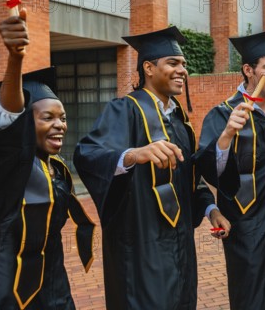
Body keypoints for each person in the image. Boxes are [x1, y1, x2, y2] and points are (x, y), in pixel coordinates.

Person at [73, 26, 229, 309]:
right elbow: (86, 155)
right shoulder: (125, 110)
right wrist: (133, 154)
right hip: (140, 248)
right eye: (173, 63)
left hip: (180, 248)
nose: (183, 70)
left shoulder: (182, 123)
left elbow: (191, 177)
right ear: (148, 67)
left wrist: (210, 209)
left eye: (184, 64)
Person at [194, 28, 265, 309]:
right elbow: (209, 172)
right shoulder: (223, 113)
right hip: (245, 226)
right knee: (249, 298)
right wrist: (227, 135)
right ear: (248, 70)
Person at [0, 12, 95, 310]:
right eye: (48, 117)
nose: (60, 125)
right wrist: (15, 59)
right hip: (8, 290)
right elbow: (9, 120)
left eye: (63, 118)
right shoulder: (10, 164)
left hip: (54, 286)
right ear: (27, 124)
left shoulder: (57, 169)